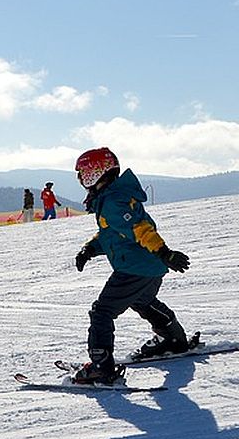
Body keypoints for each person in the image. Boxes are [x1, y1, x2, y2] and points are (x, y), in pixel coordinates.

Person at [72, 147, 192, 384]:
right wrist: (90, 249)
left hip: (134, 268)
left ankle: (100, 366)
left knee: (102, 312)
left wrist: (164, 252)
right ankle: (172, 338)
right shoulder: (114, 197)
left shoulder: (113, 202)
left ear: (98, 173)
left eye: (84, 173)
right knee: (142, 300)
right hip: (149, 267)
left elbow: (140, 230)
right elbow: (113, 234)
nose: (81, 179)